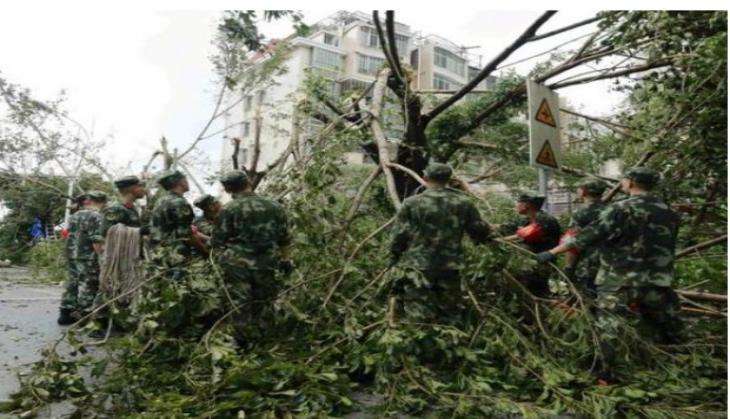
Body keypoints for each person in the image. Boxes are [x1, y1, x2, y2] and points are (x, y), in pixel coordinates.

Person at [536, 168, 681, 378]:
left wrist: (551, 252)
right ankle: (675, 366)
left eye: (624, 180)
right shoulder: (668, 211)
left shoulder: (620, 209)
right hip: (658, 281)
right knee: (666, 327)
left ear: (630, 183)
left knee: (609, 330)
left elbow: (587, 236)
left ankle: (606, 375)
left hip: (619, 281)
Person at [389, 163, 492, 321]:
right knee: (449, 312)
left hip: (418, 266)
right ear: (449, 179)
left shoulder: (412, 203)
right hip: (450, 266)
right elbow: (479, 231)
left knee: (418, 311)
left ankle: (420, 338)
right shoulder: (463, 202)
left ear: (425, 178)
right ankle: (448, 341)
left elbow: (399, 236)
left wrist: (394, 258)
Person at [212, 170, 293, 345]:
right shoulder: (275, 206)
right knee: (264, 300)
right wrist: (286, 259)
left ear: (228, 189)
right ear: (248, 182)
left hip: (237, 263)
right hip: (267, 262)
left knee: (240, 302)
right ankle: (263, 340)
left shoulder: (229, 209)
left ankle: (241, 342)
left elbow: (218, 240)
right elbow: (285, 238)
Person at [58, 191, 107, 325]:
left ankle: (65, 313)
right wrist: (102, 257)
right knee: (88, 284)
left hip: (71, 253)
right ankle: (85, 315)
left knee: (72, 282)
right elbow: (96, 240)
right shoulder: (97, 216)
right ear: (101, 202)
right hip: (87, 256)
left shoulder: (75, 215)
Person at [500, 193, 561, 297]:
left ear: (526, 205)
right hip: (525, 264)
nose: (516, 206)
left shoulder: (545, 219)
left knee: (535, 292)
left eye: (518, 203)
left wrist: (500, 240)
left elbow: (523, 235)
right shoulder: (524, 220)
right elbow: (503, 227)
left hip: (540, 264)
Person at [149, 170, 204, 280]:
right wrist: (204, 251)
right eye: (185, 179)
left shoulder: (160, 201)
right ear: (181, 182)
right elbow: (186, 235)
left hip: (160, 253)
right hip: (176, 256)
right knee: (180, 288)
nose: (187, 182)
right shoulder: (179, 202)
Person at [563, 180, 608, 297]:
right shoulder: (613, 210)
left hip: (588, 265)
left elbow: (572, 241)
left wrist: (569, 267)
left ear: (583, 191)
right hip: (611, 265)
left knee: (589, 300)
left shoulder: (581, 213)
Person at [93, 175, 147, 246]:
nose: (143, 189)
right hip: (121, 255)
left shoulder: (132, 208)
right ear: (133, 189)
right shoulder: (115, 209)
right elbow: (107, 232)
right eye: (140, 186)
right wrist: (139, 231)